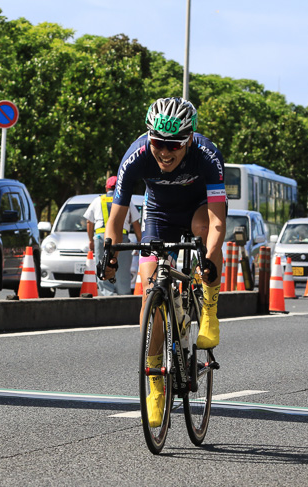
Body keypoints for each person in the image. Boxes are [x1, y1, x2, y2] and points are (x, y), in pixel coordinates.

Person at [100, 97, 226, 426]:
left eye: (174, 145)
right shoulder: (136, 155)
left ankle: (209, 310)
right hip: (159, 215)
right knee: (150, 293)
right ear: (148, 137)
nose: (165, 152)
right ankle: (156, 384)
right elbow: (116, 219)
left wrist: (209, 259)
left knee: (202, 231)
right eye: (158, 142)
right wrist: (108, 252)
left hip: (199, 211)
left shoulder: (207, 155)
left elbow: (216, 223)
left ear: (190, 140)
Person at [84, 176, 142, 295]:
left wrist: (90, 240)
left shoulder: (98, 200)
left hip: (101, 239)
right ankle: (124, 297)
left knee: (103, 269)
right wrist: (140, 243)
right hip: (122, 240)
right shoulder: (126, 201)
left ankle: (107, 296)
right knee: (123, 272)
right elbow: (136, 223)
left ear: (106, 188)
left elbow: (89, 221)